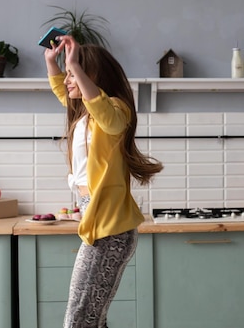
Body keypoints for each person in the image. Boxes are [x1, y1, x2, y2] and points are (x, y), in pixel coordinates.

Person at [44, 35, 163, 328]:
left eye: (75, 73)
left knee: (79, 320)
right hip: (98, 221)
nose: (69, 79)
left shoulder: (115, 111)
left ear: (94, 76)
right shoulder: (85, 114)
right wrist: (53, 64)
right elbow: (65, 93)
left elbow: (103, 110)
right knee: (92, 319)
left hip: (112, 230)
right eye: (69, 74)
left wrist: (73, 64)